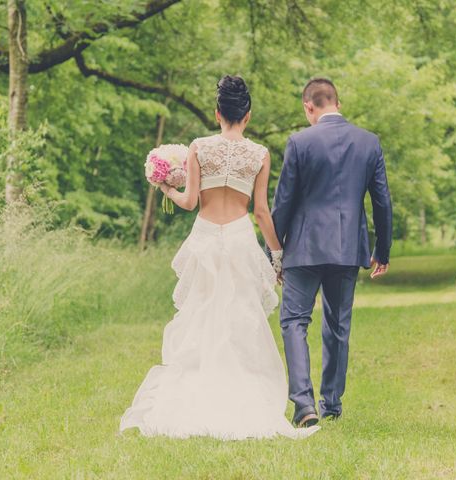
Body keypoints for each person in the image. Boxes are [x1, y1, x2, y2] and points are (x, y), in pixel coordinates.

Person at [119, 75, 319, 440]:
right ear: (248, 116)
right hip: (241, 241)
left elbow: (190, 202)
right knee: (241, 319)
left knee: (202, 317)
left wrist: (166, 187)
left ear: (217, 114)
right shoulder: (259, 154)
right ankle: (241, 398)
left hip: (206, 239)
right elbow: (261, 211)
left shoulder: (199, 147)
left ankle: (198, 398)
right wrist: (278, 255)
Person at [272, 78, 392, 427]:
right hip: (346, 249)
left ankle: (303, 405)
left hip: (303, 248)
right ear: (336, 102)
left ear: (309, 106)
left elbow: (283, 203)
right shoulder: (369, 143)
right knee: (338, 325)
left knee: (294, 321)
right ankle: (332, 406)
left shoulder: (299, 142)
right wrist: (381, 250)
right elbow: (382, 201)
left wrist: (274, 251)